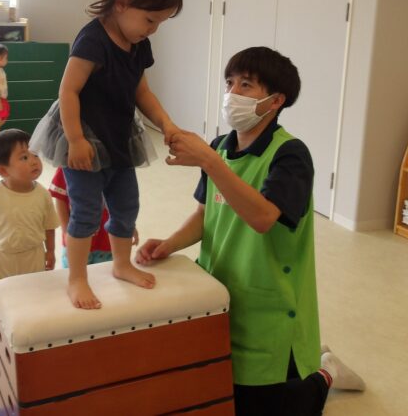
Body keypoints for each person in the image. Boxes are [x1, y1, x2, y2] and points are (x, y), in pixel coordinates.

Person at [136, 46, 365, 416]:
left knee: (279, 403)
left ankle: (327, 373)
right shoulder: (221, 148)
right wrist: (169, 244)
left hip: (270, 307)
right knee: (224, 393)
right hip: (222, 291)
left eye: (246, 85)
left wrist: (210, 161)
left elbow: (262, 218)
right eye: (229, 83)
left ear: (276, 101)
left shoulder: (290, 155)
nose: (232, 93)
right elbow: (205, 212)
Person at [30, 0, 183, 309]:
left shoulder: (139, 44)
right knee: (85, 212)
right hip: (83, 137)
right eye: (150, 20)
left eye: (160, 23)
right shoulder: (93, 40)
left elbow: (142, 92)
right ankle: (77, 278)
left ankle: (120, 264)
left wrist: (166, 123)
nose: (153, 30)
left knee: (127, 206)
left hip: (118, 138)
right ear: (121, 3)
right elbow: (68, 91)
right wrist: (75, 140)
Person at [0, 129, 58, 307]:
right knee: (3, 302)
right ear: (3, 170)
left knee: (32, 298)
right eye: (24, 157)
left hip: (33, 256)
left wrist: (50, 251)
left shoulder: (43, 194)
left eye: (35, 154)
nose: (34, 161)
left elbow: (49, 226)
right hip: (0, 259)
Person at [48, 167, 139, 268]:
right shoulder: (67, 167)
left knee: (105, 273)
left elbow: (122, 203)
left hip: (106, 242)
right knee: (75, 271)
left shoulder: (114, 165)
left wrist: (128, 227)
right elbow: (60, 200)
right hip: (77, 240)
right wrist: (66, 231)